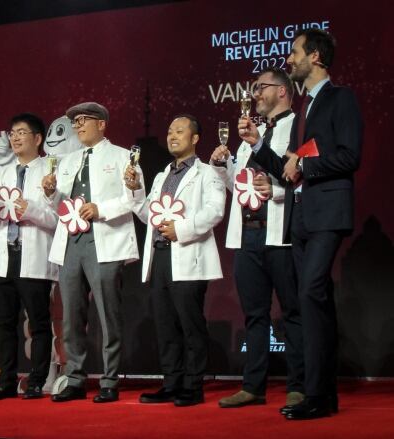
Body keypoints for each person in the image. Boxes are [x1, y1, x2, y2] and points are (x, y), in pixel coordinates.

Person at [238, 28, 363, 420]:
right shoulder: (304, 111)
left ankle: (314, 392)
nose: (289, 59)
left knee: (309, 294)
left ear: (317, 58)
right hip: (301, 217)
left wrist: (304, 164)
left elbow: (349, 156)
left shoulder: (340, 99)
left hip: (327, 213)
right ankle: (322, 394)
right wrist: (259, 146)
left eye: (294, 53)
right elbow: (287, 171)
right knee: (314, 300)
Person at [211, 68, 305, 409]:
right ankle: (253, 386)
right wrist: (224, 167)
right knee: (254, 314)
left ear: (281, 91)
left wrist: (277, 189)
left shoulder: (299, 127)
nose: (255, 95)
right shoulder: (254, 132)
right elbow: (242, 185)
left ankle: (299, 385)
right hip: (248, 236)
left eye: (260, 88)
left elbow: (299, 177)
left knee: (293, 311)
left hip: (280, 233)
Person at [43, 102, 145, 403]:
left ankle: (110, 380)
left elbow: (133, 199)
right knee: (72, 315)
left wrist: (101, 209)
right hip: (71, 242)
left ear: (102, 124)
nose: (78, 126)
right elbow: (58, 206)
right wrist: (50, 193)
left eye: (84, 120)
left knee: (108, 314)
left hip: (104, 240)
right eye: (75, 122)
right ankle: (75, 378)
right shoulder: (66, 160)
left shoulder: (124, 156)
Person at [128, 114, 225, 407]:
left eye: (180, 131)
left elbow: (215, 211)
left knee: (190, 324)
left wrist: (180, 229)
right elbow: (148, 214)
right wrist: (135, 188)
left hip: (189, 255)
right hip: (160, 257)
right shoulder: (161, 176)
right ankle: (171, 383)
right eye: (170, 131)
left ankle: (193, 386)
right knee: (166, 324)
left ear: (195, 138)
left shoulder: (207, 173)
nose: (172, 136)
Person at [0, 113, 58, 400]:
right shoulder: (0, 172)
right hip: (2, 257)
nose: (15, 137)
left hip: (33, 255)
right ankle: (6, 381)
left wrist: (27, 208)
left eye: (22, 132)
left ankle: (36, 381)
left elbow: (57, 218)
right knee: (4, 323)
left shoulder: (50, 171)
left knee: (39, 322)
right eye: (12, 133)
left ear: (37, 138)